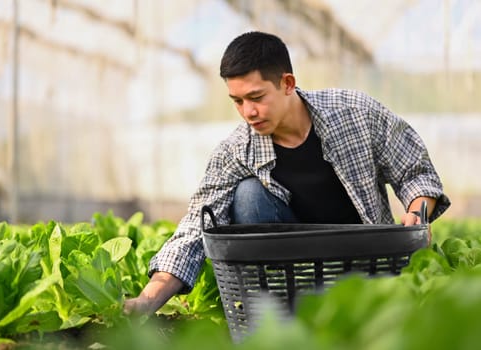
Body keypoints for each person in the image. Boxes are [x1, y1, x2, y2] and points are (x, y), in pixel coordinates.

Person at [123, 31, 451, 315]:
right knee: (249, 194)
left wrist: (416, 211)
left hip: (365, 262)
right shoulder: (237, 150)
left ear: (287, 83)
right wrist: (148, 299)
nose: (247, 112)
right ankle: (280, 311)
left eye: (256, 97)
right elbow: (195, 228)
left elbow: (415, 171)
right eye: (236, 101)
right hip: (296, 274)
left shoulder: (354, 114)